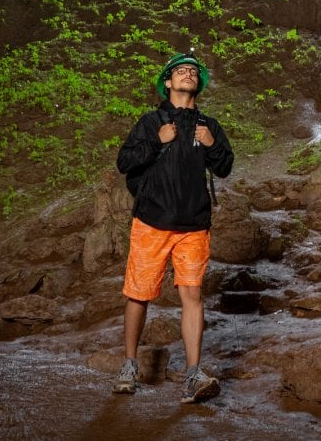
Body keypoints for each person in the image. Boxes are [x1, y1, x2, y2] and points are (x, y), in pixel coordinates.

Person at [112, 51, 234, 403]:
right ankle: (129, 365)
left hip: (194, 224)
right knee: (139, 293)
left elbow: (225, 167)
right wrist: (156, 140)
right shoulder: (151, 123)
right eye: (180, 71)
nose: (187, 75)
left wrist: (211, 146)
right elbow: (125, 162)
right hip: (152, 221)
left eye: (192, 72)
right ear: (168, 83)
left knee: (192, 295)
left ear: (199, 83)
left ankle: (194, 374)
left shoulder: (208, 126)